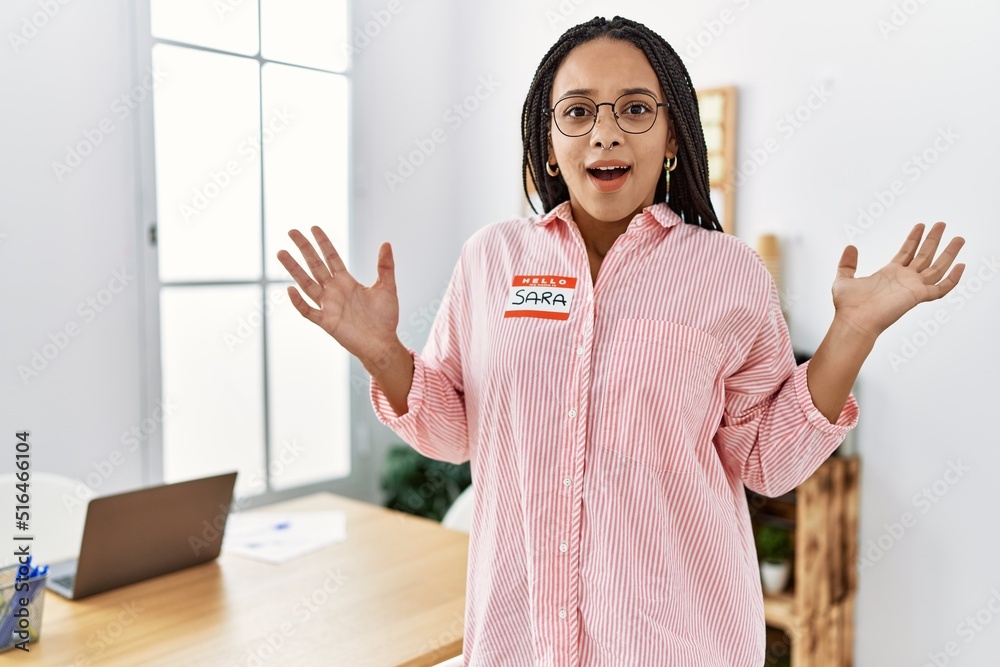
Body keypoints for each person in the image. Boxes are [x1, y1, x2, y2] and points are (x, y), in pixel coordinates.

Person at [276, 15, 966, 667]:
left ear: (672, 138)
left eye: (635, 109)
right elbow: (456, 430)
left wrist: (851, 332)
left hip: (680, 639)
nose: (604, 133)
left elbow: (764, 459)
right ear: (548, 143)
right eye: (577, 111)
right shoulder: (491, 259)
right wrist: (381, 351)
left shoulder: (727, 272)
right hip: (520, 639)